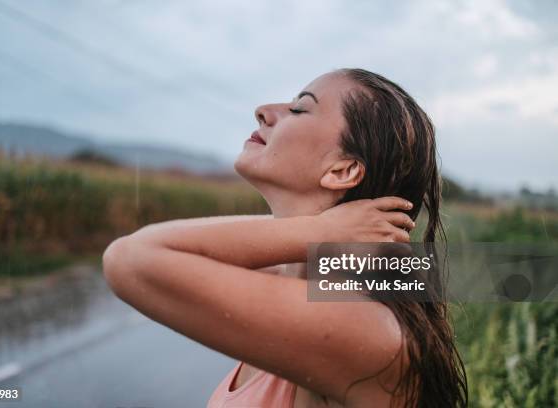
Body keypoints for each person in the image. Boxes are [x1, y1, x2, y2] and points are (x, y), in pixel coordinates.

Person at [102, 68, 468, 407]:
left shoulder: (365, 326)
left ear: (343, 170)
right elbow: (174, 253)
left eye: (298, 109)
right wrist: (317, 231)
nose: (263, 111)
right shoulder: (289, 280)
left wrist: (318, 231)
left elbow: (131, 259)